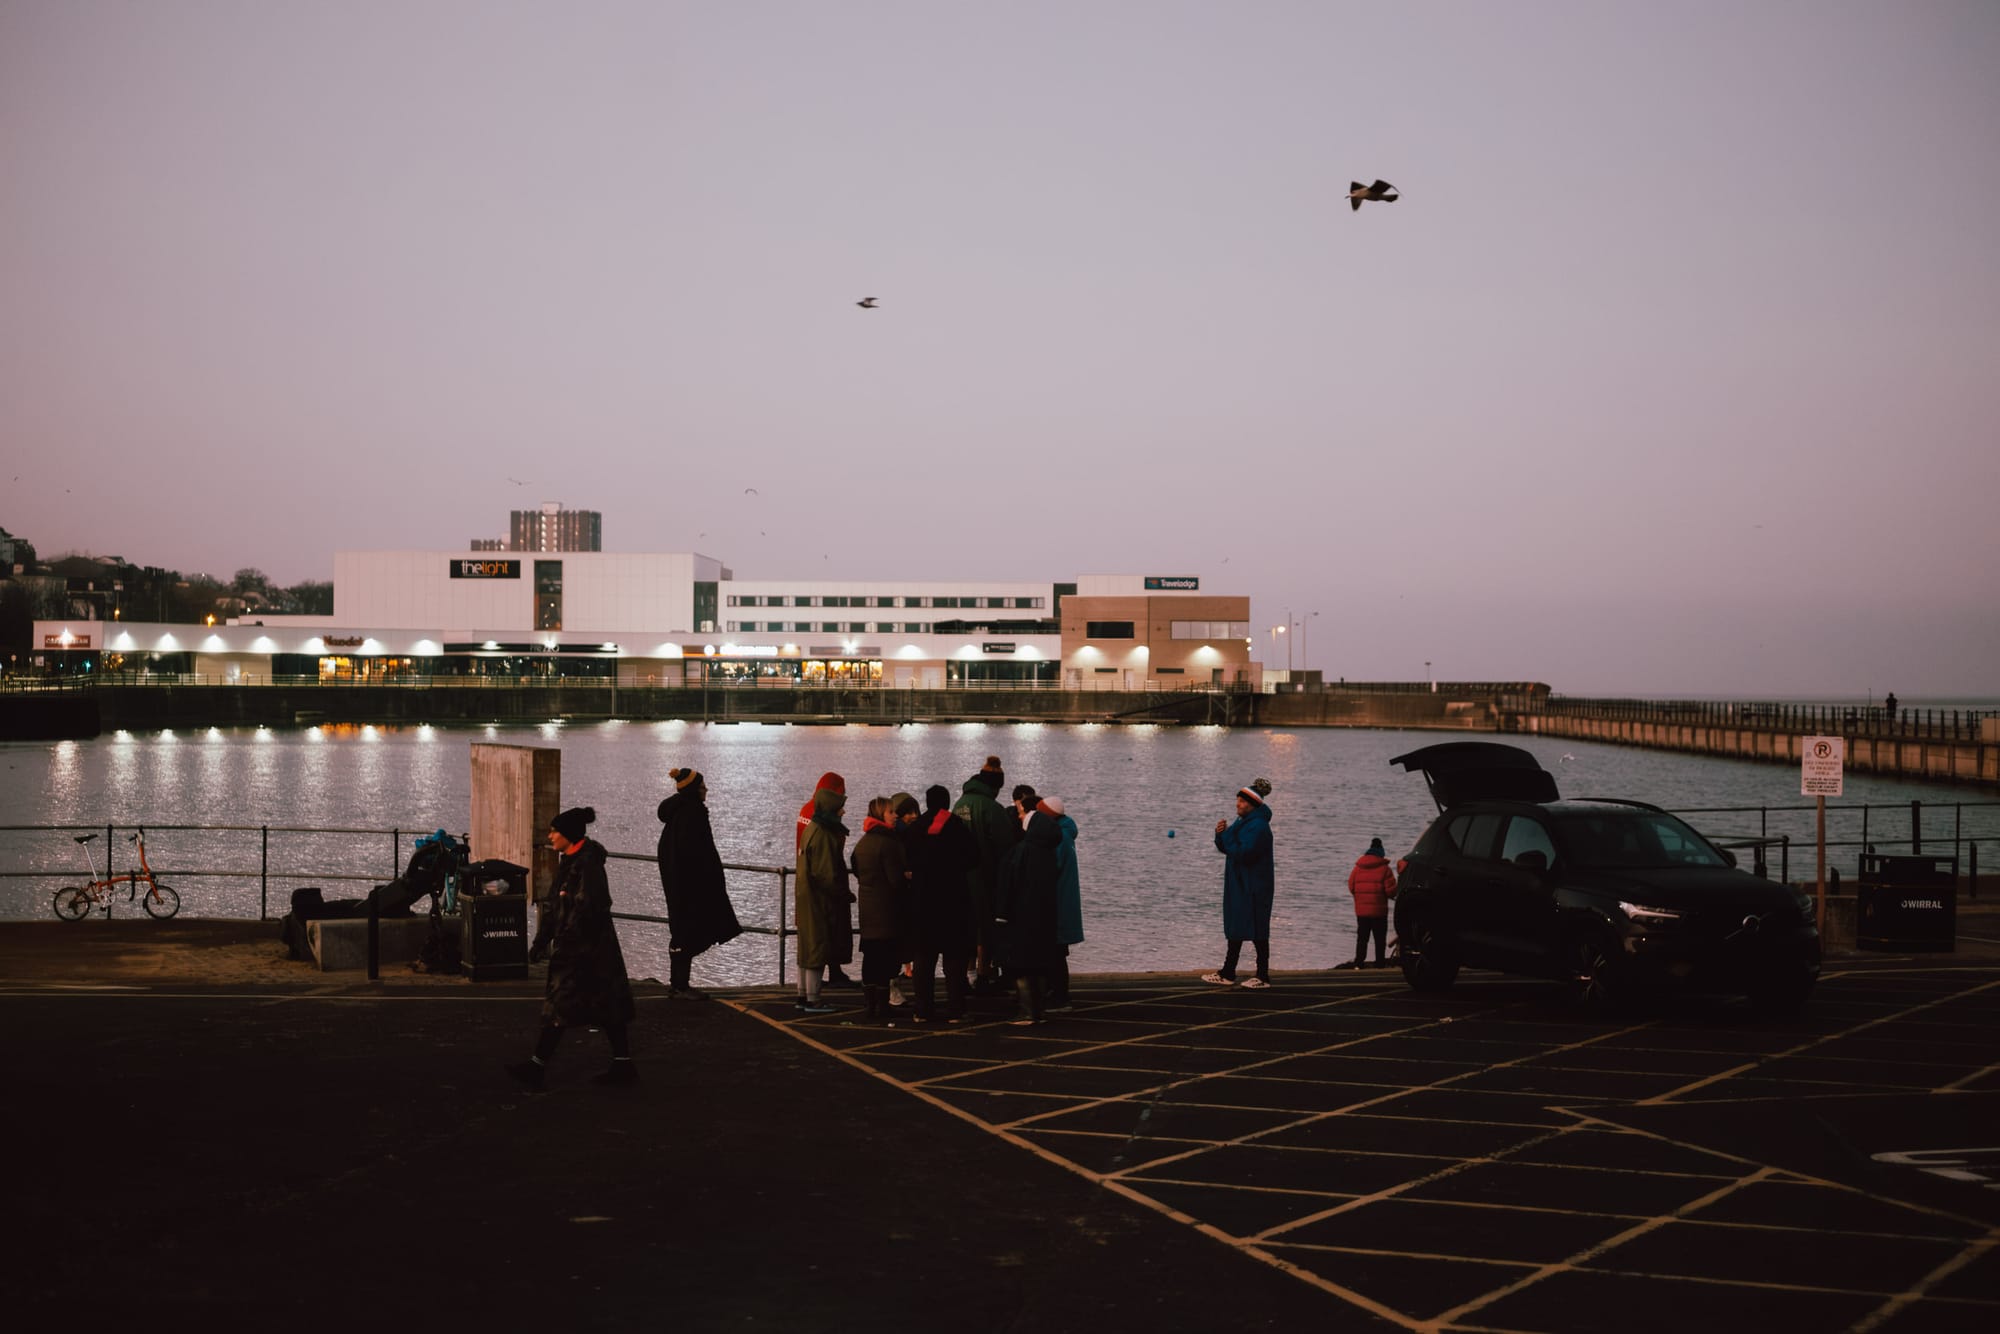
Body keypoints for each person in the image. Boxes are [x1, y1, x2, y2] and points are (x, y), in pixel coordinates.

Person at [507, 806, 637, 1088]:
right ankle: (623, 1066)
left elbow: (588, 908)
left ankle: (537, 1067)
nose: (550, 835)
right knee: (606, 1005)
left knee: (560, 1005)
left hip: (585, 951)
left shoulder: (586, 865)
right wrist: (541, 941)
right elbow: (558, 907)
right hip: (589, 951)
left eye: (554, 831)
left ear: (568, 834)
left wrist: (564, 941)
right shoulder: (571, 860)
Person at [655, 767, 742, 998]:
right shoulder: (692, 814)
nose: (707, 790)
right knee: (699, 930)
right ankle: (680, 985)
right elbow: (699, 853)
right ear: (695, 789)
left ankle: (679, 983)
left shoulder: (677, 813)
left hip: (678, 884)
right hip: (694, 887)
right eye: (703, 786)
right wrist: (709, 878)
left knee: (686, 931)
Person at [906, 784, 979, 1024]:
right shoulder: (957, 827)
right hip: (952, 900)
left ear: (927, 803)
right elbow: (972, 858)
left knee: (924, 960)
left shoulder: (915, 829)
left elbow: (907, 859)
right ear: (947, 803)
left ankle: (923, 1010)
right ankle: (956, 1010)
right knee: (954, 959)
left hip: (922, 901)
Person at [994, 803, 1063, 1025]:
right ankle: (1039, 1011)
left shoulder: (1021, 851)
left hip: (1021, 916)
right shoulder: (1048, 853)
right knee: (1040, 964)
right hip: (1044, 917)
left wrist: (1001, 913)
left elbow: (1008, 883)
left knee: (1020, 964)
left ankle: (1026, 1011)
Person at [1203, 778, 1275, 989]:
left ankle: (1262, 976)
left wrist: (1226, 837)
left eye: (1242, 802)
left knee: (1257, 930)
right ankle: (1228, 972)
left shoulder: (1259, 826)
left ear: (1253, 804)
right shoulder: (1244, 822)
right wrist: (1220, 835)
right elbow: (1229, 848)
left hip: (1254, 885)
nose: (1238, 804)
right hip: (1240, 883)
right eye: (1237, 800)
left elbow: (1243, 853)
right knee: (1237, 927)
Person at [955, 755, 1017, 993]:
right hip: (985, 878)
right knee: (986, 928)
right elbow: (1005, 848)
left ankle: (964, 974)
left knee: (965, 927)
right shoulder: (992, 808)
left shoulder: (960, 803)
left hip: (960, 879)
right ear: (996, 785)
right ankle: (984, 974)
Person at [850, 795, 911, 1024]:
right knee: (886, 958)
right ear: (881, 815)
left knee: (870, 956)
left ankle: (870, 1004)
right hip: (887, 908)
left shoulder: (863, 842)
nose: (895, 816)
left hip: (868, 908)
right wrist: (907, 878)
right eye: (890, 812)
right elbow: (895, 879)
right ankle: (883, 1005)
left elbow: (855, 867)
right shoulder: (889, 842)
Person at [794, 785, 853, 1014]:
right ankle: (814, 999)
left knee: (807, 948)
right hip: (820, 901)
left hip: (806, 896)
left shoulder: (812, 829)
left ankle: (802, 995)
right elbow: (826, 873)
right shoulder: (825, 834)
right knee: (818, 946)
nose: (843, 812)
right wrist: (842, 893)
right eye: (840, 808)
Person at [1042, 796, 1083, 1010]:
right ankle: (1057, 994)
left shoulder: (1058, 839)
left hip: (1056, 903)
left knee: (1055, 953)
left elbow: (1050, 869)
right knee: (1057, 952)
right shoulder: (1065, 834)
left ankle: (1059, 997)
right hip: (1062, 902)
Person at [1345, 836, 1396, 968]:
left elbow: (1351, 886)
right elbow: (1391, 891)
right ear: (1381, 851)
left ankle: (1359, 963)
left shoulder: (1358, 868)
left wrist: (1360, 897)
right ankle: (1379, 963)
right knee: (1379, 939)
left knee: (1362, 938)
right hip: (1379, 912)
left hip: (1361, 911)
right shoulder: (1385, 869)